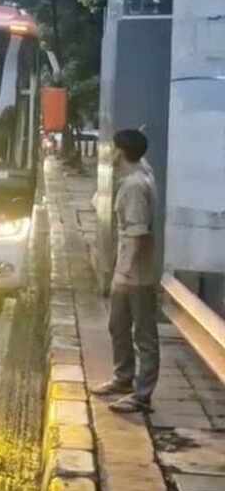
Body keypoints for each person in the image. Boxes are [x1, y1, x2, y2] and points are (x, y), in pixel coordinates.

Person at [89, 129, 159, 413]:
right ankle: (123, 378)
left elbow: (137, 234)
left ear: (120, 152)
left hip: (135, 275)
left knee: (143, 335)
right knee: (117, 326)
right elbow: (141, 159)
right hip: (127, 271)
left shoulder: (133, 187)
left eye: (113, 148)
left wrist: (124, 273)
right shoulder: (142, 172)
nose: (108, 153)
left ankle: (142, 396)